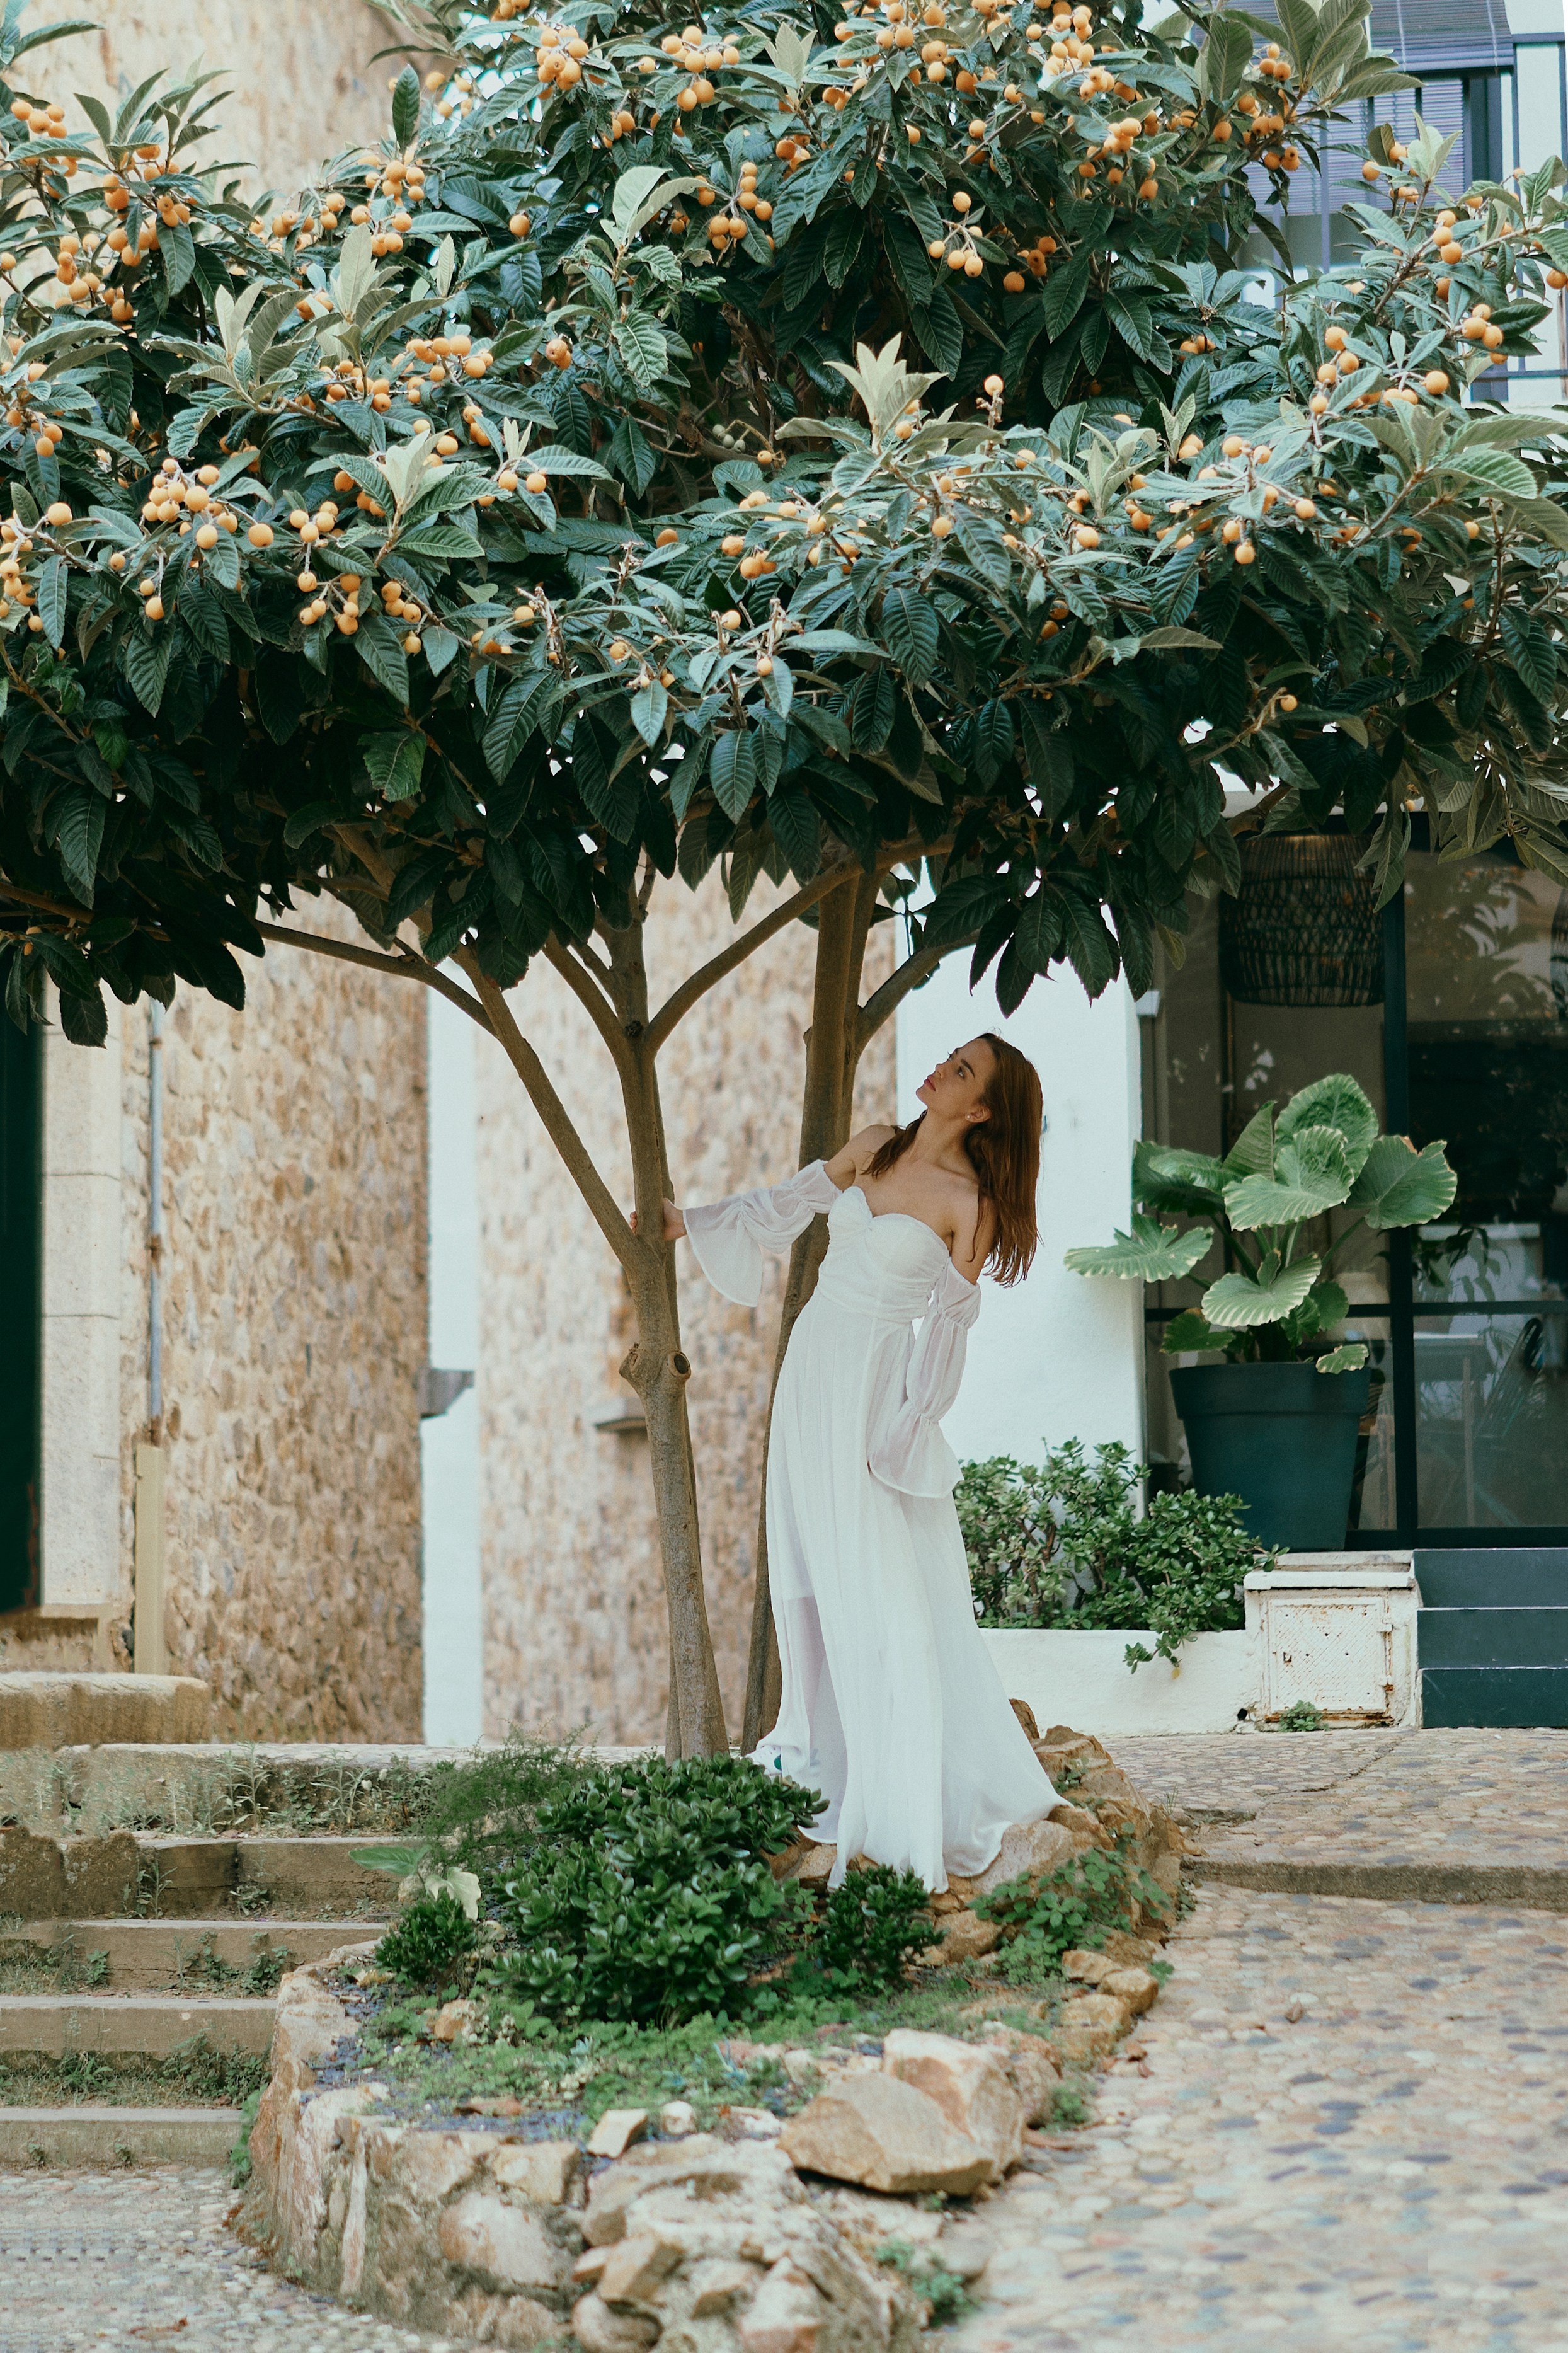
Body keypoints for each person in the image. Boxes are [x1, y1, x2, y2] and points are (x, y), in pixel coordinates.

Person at [661, 1033, 1058, 1891]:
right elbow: (790, 1201)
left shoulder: (969, 1203)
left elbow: (947, 1331)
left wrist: (911, 1426)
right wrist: (689, 1221)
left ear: (981, 1109)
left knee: (878, 1574)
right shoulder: (875, 1144)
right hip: (813, 1368)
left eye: (962, 1071)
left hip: (875, 1392)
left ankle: (899, 1776)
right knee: (808, 1555)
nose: (942, 1069)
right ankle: (818, 1755)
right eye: (952, 1055)